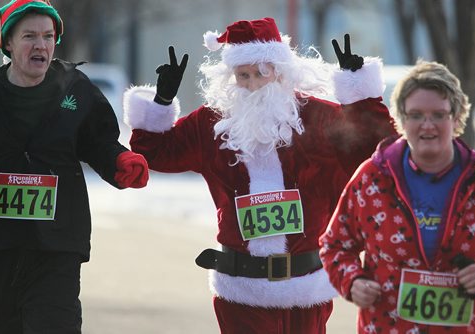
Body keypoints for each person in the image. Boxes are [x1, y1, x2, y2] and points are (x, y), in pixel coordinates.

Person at [124, 17, 394, 333]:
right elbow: (155, 152)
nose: (253, 84)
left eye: (261, 73)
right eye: (243, 75)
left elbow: (379, 149)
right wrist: (162, 101)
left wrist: (360, 95)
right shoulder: (212, 125)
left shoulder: (320, 119)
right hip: (241, 290)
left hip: (306, 289)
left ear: (281, 71)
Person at [0, 1, 149, 333]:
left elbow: (100, 142)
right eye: (29, 36)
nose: (41, 45)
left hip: (56, 245)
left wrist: (122, 162)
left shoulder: (75, 89)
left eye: (48, 36)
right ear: (8, 43)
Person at [319, 60, 475, 333]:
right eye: (416, 115)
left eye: (439, 115)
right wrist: (352, 282)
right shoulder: (372, 178)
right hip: (387, 325)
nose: (427, 126)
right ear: (401, 118)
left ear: (457, 118)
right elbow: (335, 245)